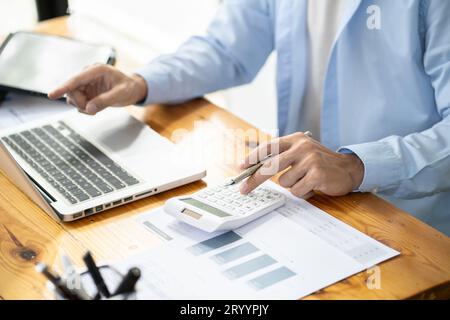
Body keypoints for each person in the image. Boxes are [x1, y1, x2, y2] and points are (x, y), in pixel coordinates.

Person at [49, 0, 450, 235]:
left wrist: (356, 165)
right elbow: (227, 47)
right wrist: (140, 82)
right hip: (306, 204)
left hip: (409, 222)